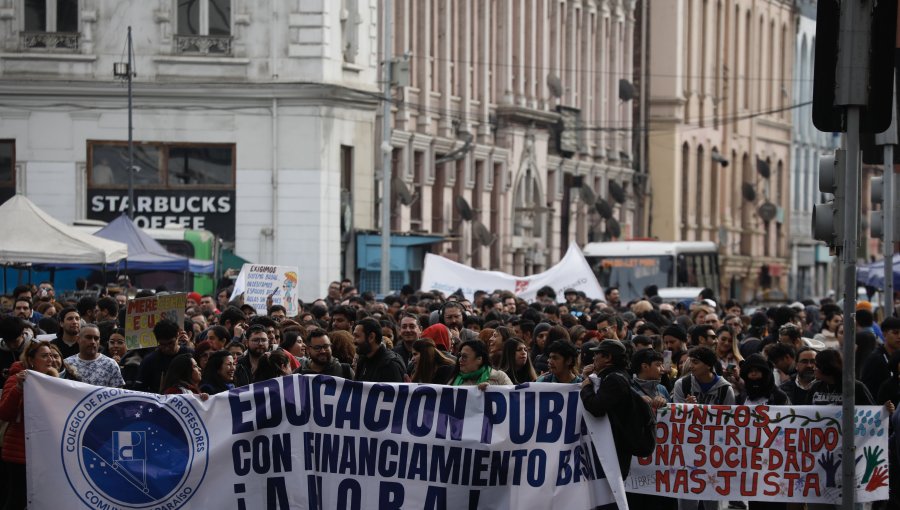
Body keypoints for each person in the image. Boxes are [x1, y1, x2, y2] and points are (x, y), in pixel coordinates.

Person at [0, 341, 57, 510]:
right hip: (19, 452)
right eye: (44, 356)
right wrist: (18, 388)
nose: (50, 360)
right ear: (31, 359)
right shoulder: (16, 379)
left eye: (52, 356)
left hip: (44, 453)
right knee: (18, 500)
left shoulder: (55, 382)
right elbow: (5, 413)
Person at [579, 340, 636, 483]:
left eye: (597, 354)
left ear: (608, 358)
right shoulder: (615, 376)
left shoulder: (614, 380)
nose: (593, 358)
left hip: (615, 448)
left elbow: (596, 407)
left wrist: (586, 388)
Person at [135, 319, 191, 393]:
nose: (167, 348)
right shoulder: (149, 361)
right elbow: (139, 389)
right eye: (162, 344)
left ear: (178, 335)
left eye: (171, 343)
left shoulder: (189, 354)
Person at [63, 324, 124, 388]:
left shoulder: (111, 364)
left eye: (96, 338)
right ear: (78, 339)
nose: (93, 342)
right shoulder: (67, 364)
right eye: (88, 337)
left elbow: (118, 394)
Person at [353, 318, 406, 382]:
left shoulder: (390, 365)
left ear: (371, 337)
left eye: (357, 336)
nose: (354, 341)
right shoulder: (362, 360)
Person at [861, 316, 900, 399]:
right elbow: (868, 391)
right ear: (884, 334)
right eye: (895, 333)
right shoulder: (876, 359)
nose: (899, 336)